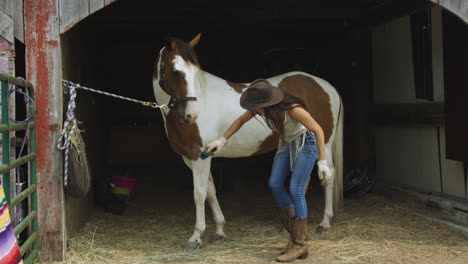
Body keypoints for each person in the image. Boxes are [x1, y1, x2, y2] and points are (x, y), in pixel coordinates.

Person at [204, 79, 332, 262]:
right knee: (274, 184)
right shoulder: (259, 109)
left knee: (296, 188)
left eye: (258, 107)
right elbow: (240, 121)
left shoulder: (293, 110)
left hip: (306, 143)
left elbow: (318, 130)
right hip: (286, 143)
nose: (256, 110)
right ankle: (294, 239)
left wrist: (322, 162)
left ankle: (300, 243)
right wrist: (222, 140)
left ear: (268, 103)